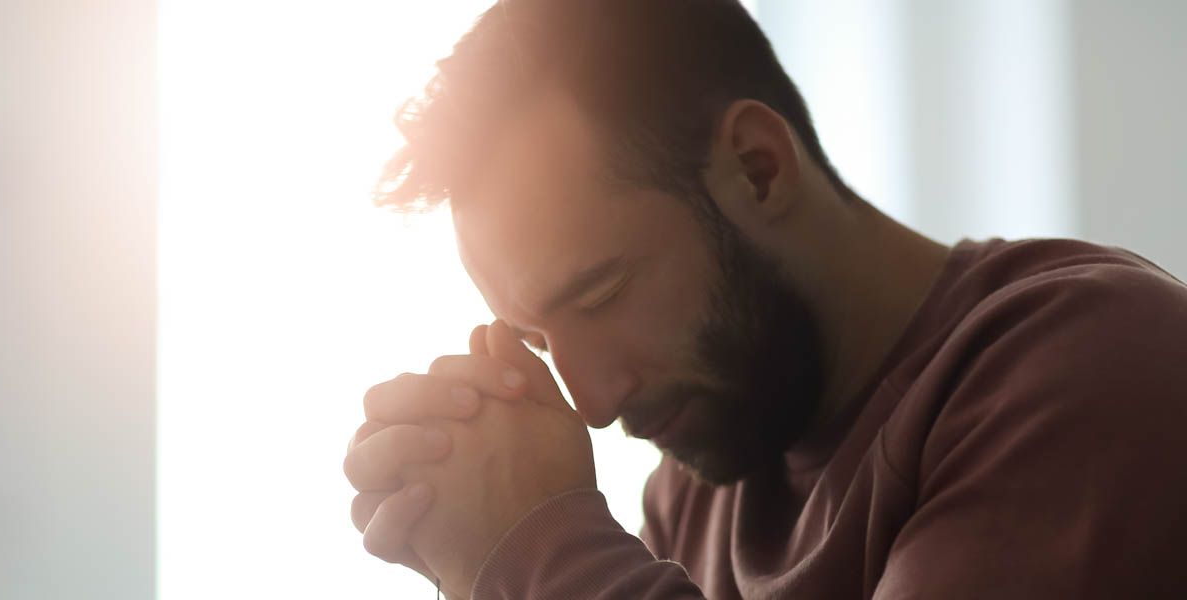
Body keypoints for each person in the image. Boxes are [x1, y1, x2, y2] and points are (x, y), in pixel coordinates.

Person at [342, 1, 1187, 598]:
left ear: (757, 166)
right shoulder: (701, 485)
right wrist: (476, 565)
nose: (592, 404)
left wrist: (537, 547)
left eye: (600, 294)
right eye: (535, 339)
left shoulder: (1090, 367)